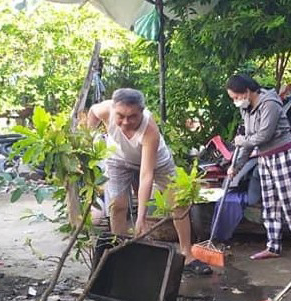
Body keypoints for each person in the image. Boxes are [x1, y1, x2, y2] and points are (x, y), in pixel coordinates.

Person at [86, 88, 212, 275]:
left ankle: (187, 253)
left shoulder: (149, 129)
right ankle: (120, 252)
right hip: (117, 159)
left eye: (132, 117)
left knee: (178, 203)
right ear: (113, 110)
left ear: (142, 112)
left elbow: (146, 175)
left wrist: (141, 217)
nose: (126, 122)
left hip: (158, 163)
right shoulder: (105, 109)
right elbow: (92, 113)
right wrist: (88, 138)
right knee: (117, 205)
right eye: (121, 116)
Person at [226, 74, 291, 265]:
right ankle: (273, 246)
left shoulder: (270, 103)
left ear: (247, 92)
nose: (235, 101)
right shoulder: (247, 110)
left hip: (283, 155)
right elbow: (247, 144)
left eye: (235, 97)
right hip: (265, 158)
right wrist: (236, 166)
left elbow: (264, 135)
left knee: (289, 204)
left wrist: (243, 141)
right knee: (270, 204)